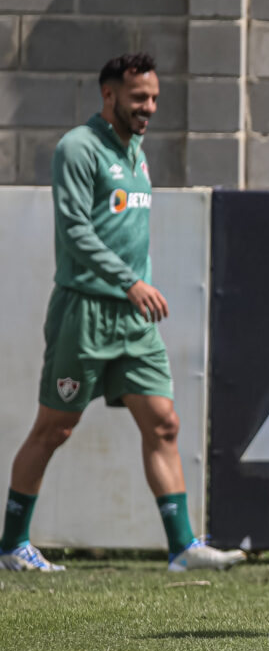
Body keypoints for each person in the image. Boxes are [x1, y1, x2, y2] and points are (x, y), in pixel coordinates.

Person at [0, 53, 245, 573]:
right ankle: (11, 545)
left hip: (134, 322)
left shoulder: (137, 149)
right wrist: (130, 281)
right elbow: (75, 230)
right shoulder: (78, 149)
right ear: (108, 95)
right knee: (55, 429)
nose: (149, 108)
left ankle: (182, 548)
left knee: (164, 424)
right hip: (85, 313)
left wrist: (135, 287)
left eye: (154, 98)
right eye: (139, 99)